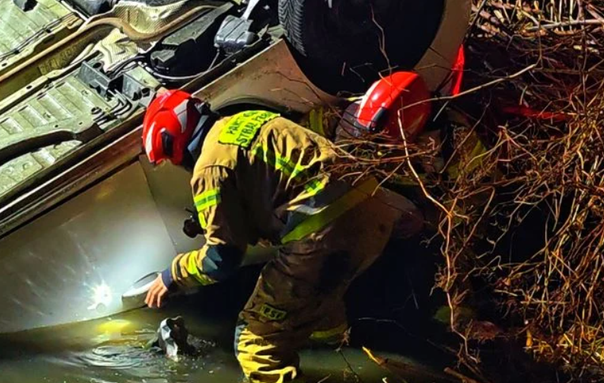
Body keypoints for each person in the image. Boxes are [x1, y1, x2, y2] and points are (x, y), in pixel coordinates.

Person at [140, 72, 434, 383]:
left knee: (256, 345)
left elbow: (221, 260)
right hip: (374, 212)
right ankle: (339, 357)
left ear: (174, 143)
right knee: (313, 306)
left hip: (323, 234)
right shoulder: (249, 118)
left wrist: (173, 275)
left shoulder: (209, 168)